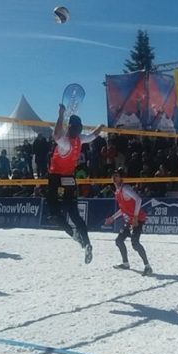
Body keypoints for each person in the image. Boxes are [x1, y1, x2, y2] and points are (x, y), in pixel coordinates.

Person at [48, 104, 104, 264]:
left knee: (54, 214)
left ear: (70, 128)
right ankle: (87, 242)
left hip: (56, 179)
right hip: (70, 179)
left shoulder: (65, 142)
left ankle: (74, 235)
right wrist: (101, 126)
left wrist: (60, 114)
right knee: (74, 214)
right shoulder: (80, 140)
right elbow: (94, 135)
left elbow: (55, 134)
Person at [104, 168, 152, 276]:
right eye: (113, 176)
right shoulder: (118, 191)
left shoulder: (125, 188)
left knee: (135, 243)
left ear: (121, 177)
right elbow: (123, 209)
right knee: (119, 240)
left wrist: (135, 217)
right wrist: (112, 218)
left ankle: (147, 266)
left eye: (116, 176)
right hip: (130, 220)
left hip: (137, 219)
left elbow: (138, 199)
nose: (114, 178)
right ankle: (125, 263)